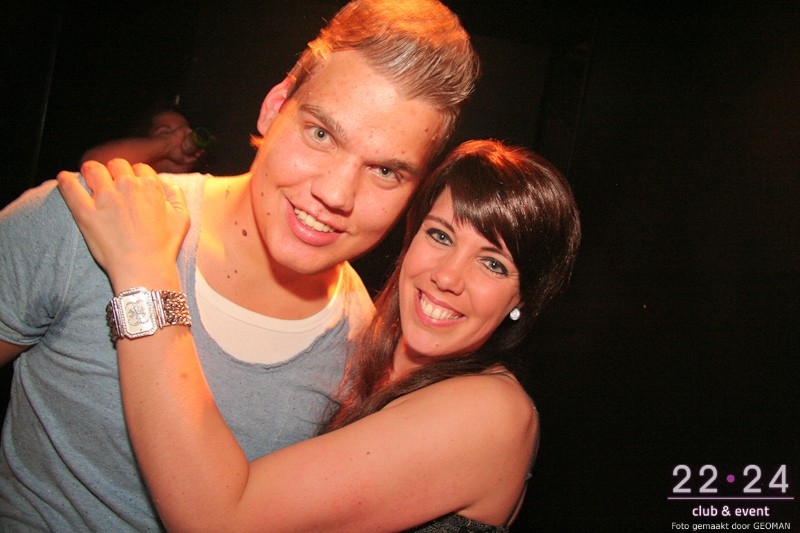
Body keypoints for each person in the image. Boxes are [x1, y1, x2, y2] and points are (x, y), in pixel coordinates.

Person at [0, 1, 478, 530]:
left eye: (386, 171)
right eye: (321, 134)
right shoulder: (96, 219)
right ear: (274, 108)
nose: (336, 193)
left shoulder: (365, 352)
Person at [56, 139, 582, 531]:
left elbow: (220, 520)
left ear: (523, 299)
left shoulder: (492, 412)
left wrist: (144, 273)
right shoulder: (359, 341)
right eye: (440, 236)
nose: (447, 276)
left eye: (493, 264)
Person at [80, 103, 210, 173]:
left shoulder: (201, 190)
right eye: (165, 133)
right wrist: (168, 144)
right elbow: (91, 165)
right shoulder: (127, 182)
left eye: (185, 134)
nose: (179, 139)